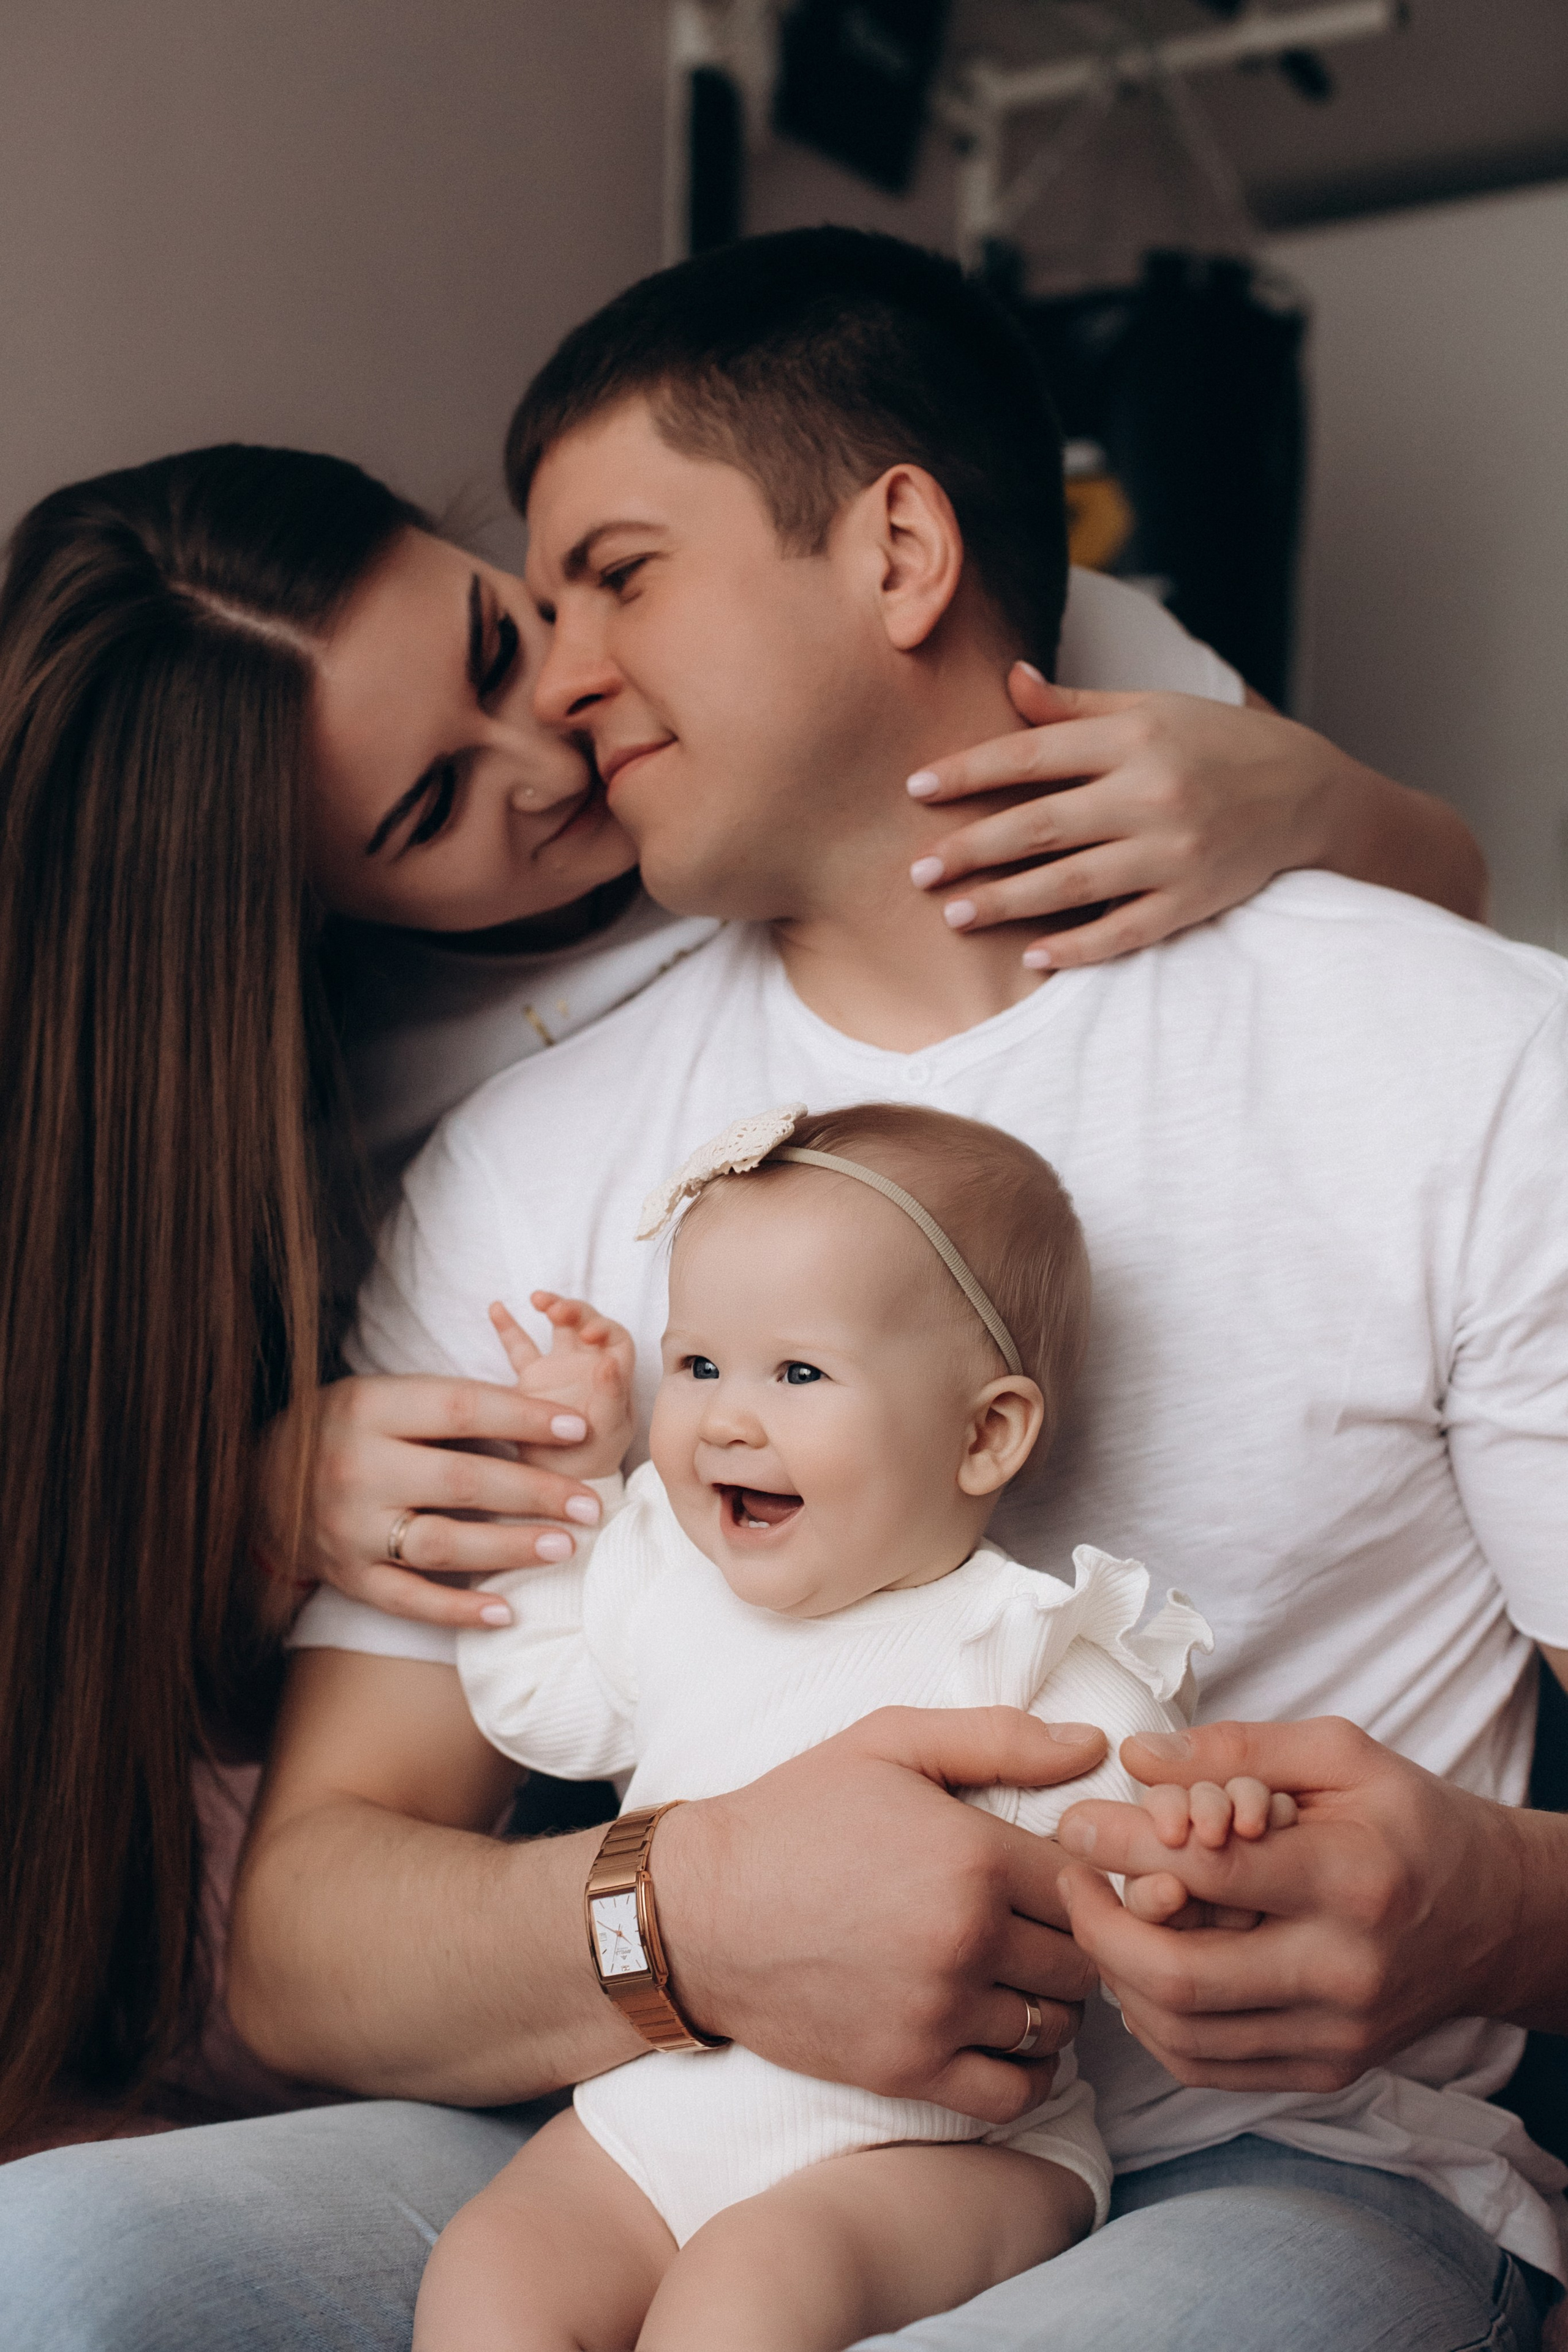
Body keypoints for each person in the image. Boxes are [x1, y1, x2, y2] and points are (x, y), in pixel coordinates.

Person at [178, 223, 1564, 2352]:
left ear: (900, 548)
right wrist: (689, 1924)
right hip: (661, 2112)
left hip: (1295, 2157)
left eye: (615, 578)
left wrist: (1504, 1909)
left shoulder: (1464, 1056)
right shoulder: (525, 1153)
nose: (555, 686)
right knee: (54, 2280)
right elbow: (305, 1936)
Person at [415, 1101, 1216, 2350]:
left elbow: (1149, 1849)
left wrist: (1200, 1843)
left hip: (928, 2161)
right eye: (695, 1366)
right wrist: (572, 1477)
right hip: (650, 2132)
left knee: (745, 2297)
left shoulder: (1018, 1649)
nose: (727, 1420)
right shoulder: (670, 1590)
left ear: (981, 1433)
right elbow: (540, 1702)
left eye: (796, 1373)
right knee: (489, 2277)